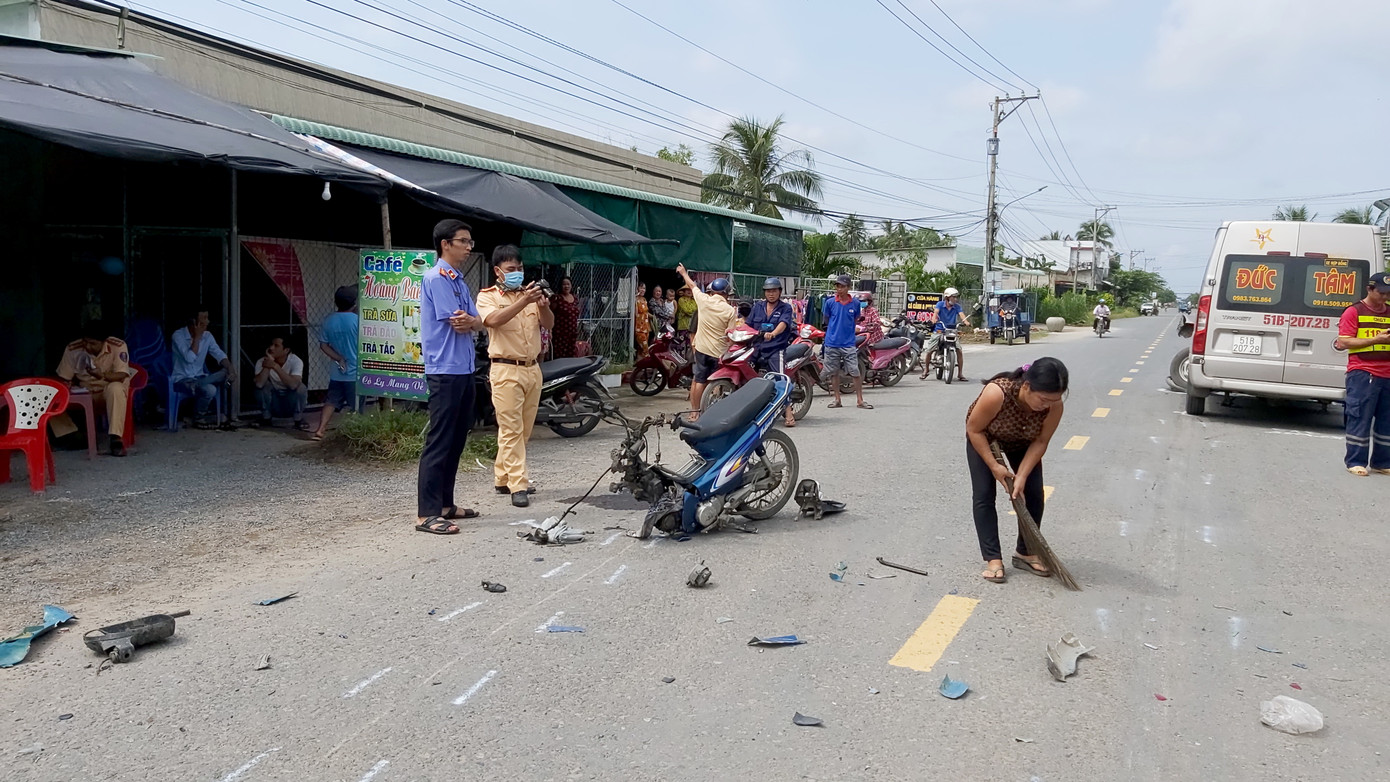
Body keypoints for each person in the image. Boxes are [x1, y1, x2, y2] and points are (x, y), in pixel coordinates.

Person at [965, 358, 1069, 584]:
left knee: (1033, 493)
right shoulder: (997, 393)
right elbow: (974, 429)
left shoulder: (1054, 405)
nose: (1047, 405)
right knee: (984, 495)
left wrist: (1021, 476)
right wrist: (995, 466)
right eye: (1043, 399)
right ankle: (993, 559)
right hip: (985, 437)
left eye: (1054, 400)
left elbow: (1041, 441)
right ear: (1027, 386)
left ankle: (1025, 552)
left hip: (1024, 441)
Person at [416, 219, 485, 535]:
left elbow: (477, 321)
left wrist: (473, 321)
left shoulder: (458, 280)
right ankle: (427, 513)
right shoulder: (437, 278)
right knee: (440, 440)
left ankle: (446, 504)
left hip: (464, 368)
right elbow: (459, 321)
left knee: (457, 439)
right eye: (464, 241)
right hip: (444, 370)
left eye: (470, 242)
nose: (469, 247)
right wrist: (472, 321)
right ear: (445, 244)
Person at [477, 244, 552, 508]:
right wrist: (523, 301)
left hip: (532, 368)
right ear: (498, 271)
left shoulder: (528, 295)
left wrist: (543, 306)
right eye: (511, 269)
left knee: (524, 429)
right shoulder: (487, 296)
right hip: (505, 369)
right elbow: (493, 320)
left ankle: (502, 476)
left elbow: (548, 324)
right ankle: (518, 484)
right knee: (511, 429)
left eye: (519, 268)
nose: (517, 273)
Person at [1334, 272, 1390, 476]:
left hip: (1388, 374)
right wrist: (1375, 340)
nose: (1385, 297)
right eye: (1381, 293)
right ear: (1369, 289)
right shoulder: (1354, 311)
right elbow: (1344, 341)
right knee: (1360, 418)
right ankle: (1356, 461)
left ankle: (1382, 462)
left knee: (1387, 421)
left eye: (1388, 294)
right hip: (1363, 373)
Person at [54, 324, 135, 456]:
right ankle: (71, 435)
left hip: (106, 392)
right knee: (51, 395)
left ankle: (115, 439)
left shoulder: (117, 346)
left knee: (116, 388)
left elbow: (121, 375)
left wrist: (102, 375)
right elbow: (64, 378)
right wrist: (69, 385)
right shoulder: (73, 349)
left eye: (93, 343)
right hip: (84, 392)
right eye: (85, 342)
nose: (88, 346)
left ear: (104, 342)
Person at [675, 263, 736, 420]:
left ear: (712, 292)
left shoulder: (703, 301)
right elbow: (730, 335)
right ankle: (711, 411)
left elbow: (692, 285)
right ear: (726, 294)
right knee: (715, 381)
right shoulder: (730, 310)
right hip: (718, 351)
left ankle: (694, 412)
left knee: (698, 380)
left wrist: (683, 273)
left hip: (701, 349)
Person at [170, 308, 237, 428]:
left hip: (200, 378)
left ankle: (197, 392)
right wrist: (197, 337)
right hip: (182, 379)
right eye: (204, 319)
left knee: (223, 373)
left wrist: (230, 369)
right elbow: (189, 358)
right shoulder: (178, 335)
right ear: (194, 322)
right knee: (211, 389)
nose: (208, 321)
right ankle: (199, 418)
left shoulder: (208, 336)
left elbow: (219, 354)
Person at [744, 277, 797, 426]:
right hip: (757, 348)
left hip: (776, 348)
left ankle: (788, 413)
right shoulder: (758, 307)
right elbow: (748, 325)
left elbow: (783, 324)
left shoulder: (785, 308)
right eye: (768, 291)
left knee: (781, 379)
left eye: (774, 291)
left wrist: (773, 333)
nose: (771, 294)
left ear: (779, 292)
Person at [312, 285, 359, 442]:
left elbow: (323, 345)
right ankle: (355, 433)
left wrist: (338, 358)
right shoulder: (358, 321)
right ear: (354, 303)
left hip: (337, 371)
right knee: (356, 405)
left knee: (331, 401)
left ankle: (320, 430)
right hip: (355, 372)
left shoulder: (329, 320)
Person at [822, 274, 870, 409]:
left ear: (848, 287)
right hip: (832, 342)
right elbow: (826, 320)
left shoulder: (855, 303)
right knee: (834, 372)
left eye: (842, 286)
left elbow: (855, 319)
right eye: (837, 286)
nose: (839, 289)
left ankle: (860, 400)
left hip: (848, 343)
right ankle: (837, 399)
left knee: (855, 371)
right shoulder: (830, 302)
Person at [252, 337, 308, 429]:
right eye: (271, 345)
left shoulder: (296, 361)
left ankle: (298, 419)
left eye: (276, 346)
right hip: (274, 403)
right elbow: (259, 384)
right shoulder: (262, 361)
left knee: (301, 387)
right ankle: (266, 418)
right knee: (262, 387)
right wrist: (268, 365)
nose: (271, 348)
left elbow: (293, 385)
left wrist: (275, 366)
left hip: (290, 402)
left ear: (286, 350)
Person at [922, 288, 970, 382]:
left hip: (952, 331)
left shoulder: (957, 306)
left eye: (956, 297)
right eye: (953, 297)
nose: (955, 299)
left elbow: (962, 315)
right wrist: (934, 320)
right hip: (939, 330)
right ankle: (926, 370)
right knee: (929, 350)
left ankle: (960, 373)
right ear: (947, 298)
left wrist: (966, 322)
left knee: (959, 350)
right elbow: (935, 313)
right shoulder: (940, 304)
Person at [550, 276, 581, 359]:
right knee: (559, 356)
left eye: (568, 284)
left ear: (571, 285)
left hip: (572, 333)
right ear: (560, 286)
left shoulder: (575, 298)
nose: (566, 286)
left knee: (571, 356)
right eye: (564, 284)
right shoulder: (557, 298)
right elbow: (550, 313)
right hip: (560, 334)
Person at [634, 281, 651, 357]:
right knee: (646, 350)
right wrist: (635, 296)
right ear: (637, 288)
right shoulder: (634, 300)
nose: (643, 290)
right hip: (639, 329)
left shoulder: (644, 299)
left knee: (641, 350)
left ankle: (639, 363)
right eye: (641, 288)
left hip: (646, 328)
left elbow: (645, 313)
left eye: (644, 288)